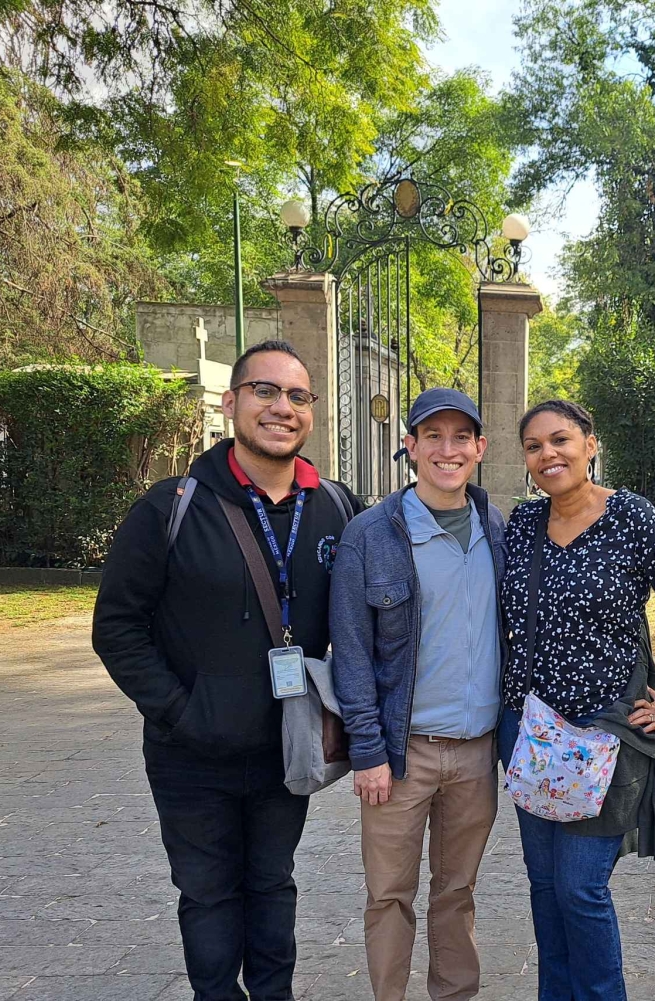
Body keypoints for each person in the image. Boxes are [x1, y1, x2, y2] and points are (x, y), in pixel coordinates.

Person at [93, 339, 361, 1001]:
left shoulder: (336, 506)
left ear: (312, 412)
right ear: (231, 402)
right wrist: (182, 712)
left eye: (298, 396)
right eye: (265, 391)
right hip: (192, 755)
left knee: (272, 886)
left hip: (287, 747)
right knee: (209, 894)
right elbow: (117, 627)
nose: (282, 407)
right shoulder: (172, 506)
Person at [498, 399, 655, 1001]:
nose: (549, 454)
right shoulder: (522, 526)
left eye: (561, 440)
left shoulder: (631, 518)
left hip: (604, 733)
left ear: (590, 445)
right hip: (529, 730)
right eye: (535, 446)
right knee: (544, 888)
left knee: (579, 888)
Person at [329, 387, 508, 1001]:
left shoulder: (497, 529)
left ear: (480, 449)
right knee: (388, 896)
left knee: (457, 892)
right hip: (399, 756)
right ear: (410, 446)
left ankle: (455, 994)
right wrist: (367, 751)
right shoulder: (370, 535)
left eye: (461, 437)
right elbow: (350, 651)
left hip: (477, 754)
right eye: (432, 436)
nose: (447, 449)